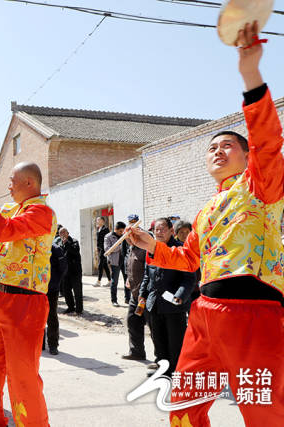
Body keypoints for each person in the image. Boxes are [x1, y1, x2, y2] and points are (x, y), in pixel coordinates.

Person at [128, 23, 284, 425]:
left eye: (226, 145)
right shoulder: (206, 210)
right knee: (183, 407)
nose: (217, 151)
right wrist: (150, 246)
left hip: (253, 312)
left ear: (247, 157)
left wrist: (250, 74)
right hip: (204, 315)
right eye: (211, 148)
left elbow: (267, 139)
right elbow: (189, 258)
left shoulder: (260, 185)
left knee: (265, 413)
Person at [0, 161, 57, 427]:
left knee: (22, 376)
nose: (9, 186)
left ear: (30, 183)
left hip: (26, 301)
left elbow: (4, 231)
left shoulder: (42, 212)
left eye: (13, 180)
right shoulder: (11, 208)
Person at [138, 218, 195, 377]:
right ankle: (162, 366)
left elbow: (189, 278)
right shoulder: (151, 249)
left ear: (171, 231)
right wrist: (142, 295)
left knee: (175, 339)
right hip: (154, 302)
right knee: (158, 337)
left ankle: (176, 370)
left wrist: (179, 297)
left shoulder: (179, 250)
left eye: (163, 229)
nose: (159, 232)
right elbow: (147, 276)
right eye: (156, 229)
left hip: (173, 304)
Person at [121, 229, 149, 361]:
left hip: (145, 295)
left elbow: (148, 272)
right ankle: (136, 351)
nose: (127, 239)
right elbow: (130, 267)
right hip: (134, 293)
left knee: (153, 326)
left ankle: (163, 358)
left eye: (129, 237)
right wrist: (128, 278)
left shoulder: (145, 250)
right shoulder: (131, 249)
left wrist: (143, 291)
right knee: (132, 321)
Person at [44, 239, 67, 355]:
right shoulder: (35, 245)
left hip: (51, 289)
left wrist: (55, 282)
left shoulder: (56, 249)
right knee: (37, 318)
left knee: (51, 316)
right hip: (37, 288)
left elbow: (63, 268)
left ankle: (53, 345)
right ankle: (40, 344)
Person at [104, 221, 129, 306]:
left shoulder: (124, 235)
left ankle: (127, 298)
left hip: (125, 261)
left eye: (123, 231)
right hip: (115, 262)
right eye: (120, 231)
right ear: (115, 229)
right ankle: (114, 300)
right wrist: (119, 246)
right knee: (115, 282)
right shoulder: (108, 237)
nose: (122, 233)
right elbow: (107, 249)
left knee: (127, 280)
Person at [58, 227, 83, 315]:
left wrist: (67, 243)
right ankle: (70, 307)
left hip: (75, 270)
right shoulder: (60, 244)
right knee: (66, 291)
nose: (63, 235)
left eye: (64, 233)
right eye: (61, 233)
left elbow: (75, 251)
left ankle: (79, 309)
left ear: (68, 233)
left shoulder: (74, 241)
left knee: (77, 291)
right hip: (65, 271)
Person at [94, 216, 111, 287]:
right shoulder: (99, 229)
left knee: (100, 265)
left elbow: (107, 240)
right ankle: (110, 281)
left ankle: (98, 281)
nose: (97, 221)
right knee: (105, 265)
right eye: (97, 220)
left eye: (99, 220)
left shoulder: (105, 229)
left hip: (104, 249)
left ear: (103, 221)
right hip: (100, 249)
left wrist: (106, 249)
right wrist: (97, 248)